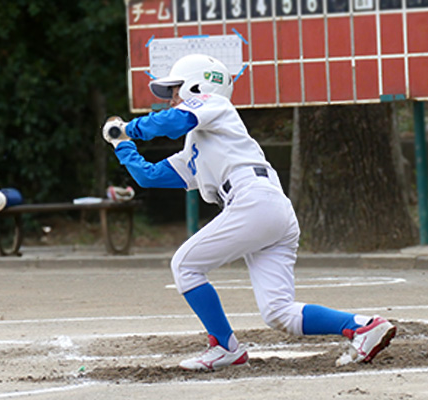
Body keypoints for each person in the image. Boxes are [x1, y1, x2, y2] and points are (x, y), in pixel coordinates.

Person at [101, 54, 396, 371]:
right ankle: (363, 326)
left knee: (185, 265)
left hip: (253, 200)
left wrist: (127, 127)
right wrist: (121, 144)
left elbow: (171, 123)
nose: (171, 99)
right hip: (268, 209)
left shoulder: (214, 104)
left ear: (197, 86)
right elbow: (149, 176)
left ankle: (224, 346)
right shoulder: (199, 146)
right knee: (279, 313)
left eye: (175, 90)